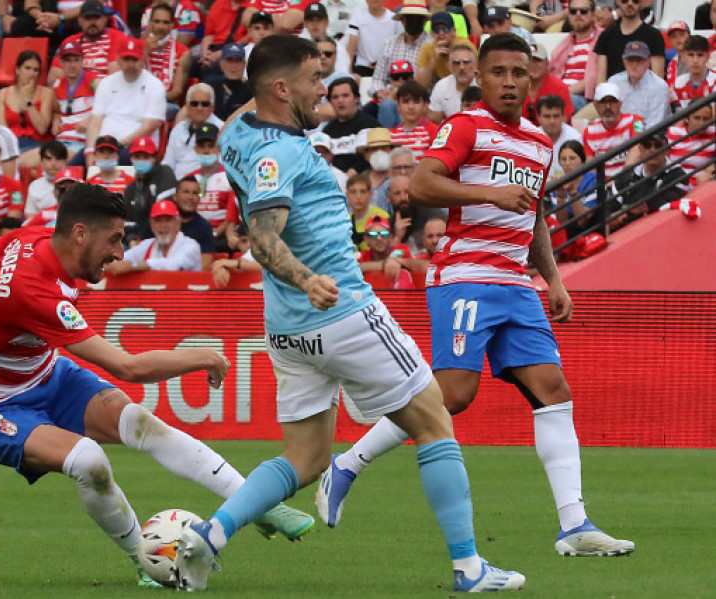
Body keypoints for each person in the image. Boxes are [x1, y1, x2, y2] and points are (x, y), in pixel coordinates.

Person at [175, 34, 526, 593]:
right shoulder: (280, 154)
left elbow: (251, 96)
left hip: (286, 327)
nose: (325, 88)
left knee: (306, 455)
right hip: (339, 309)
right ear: (282, 88)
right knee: (434, 417)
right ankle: (469, 568)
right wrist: (308, 277)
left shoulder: (237, 131)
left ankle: (210, 535)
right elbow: (263, 239)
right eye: (315, 79)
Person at [0, 183, 313, 589]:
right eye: (113, 240)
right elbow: (128, 367)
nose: (119, 252)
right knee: (90, 462)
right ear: (80, 233)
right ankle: (146, 559)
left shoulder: (30, 237)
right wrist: (205, 355)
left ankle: (258, 502)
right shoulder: (34, 291)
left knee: (143, 424)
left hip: (46, 374)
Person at [316, 34, 635, 561]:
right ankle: (348, 465)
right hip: (465, 276)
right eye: (498, 72)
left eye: (519, 73)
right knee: (455, 396)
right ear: (479, 79)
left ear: (531, 79)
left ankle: (575, 525)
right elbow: (421, 184)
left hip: (516, 284)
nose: (509, 81)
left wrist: (551, 279)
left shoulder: (538, 141)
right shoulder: (464, 126)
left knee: (553, 391)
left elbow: (530, 214)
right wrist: (489, 192)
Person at [85, 37, 166, 166]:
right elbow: (95, 122)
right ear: (118, 59)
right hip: (103, 146)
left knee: (116, 160)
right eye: (126, 59)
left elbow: (149, 127)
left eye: (134, 59)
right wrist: (90, 151)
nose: (130, 64)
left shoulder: (155, 86)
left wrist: (118, 145)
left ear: (142, 59)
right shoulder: (106, 83)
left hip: (136, 148)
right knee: (73, 166)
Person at [107, 198, 202, 273]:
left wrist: (133, 265)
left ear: (178, 224)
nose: (163, 225)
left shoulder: (191, 246)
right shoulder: (147, 245)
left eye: (168, 220)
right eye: (158, 221)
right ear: (152, 226)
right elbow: (121, 258)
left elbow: (174, 265)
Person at [140, 176, 217, 268]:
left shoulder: (204, 227)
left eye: (195, 193)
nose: (190, 197)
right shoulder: (156, 222)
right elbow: (139, 252)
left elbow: (204, 267)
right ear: (175, 196)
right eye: (186, 192)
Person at [47, 0, 127, 84]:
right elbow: (53, 80)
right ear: (79, 20)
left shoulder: (117, 37)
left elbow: (115, 80)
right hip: (75, 94)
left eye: (96, 17)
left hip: (105, 94)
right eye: (88, 18)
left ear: (105, 19)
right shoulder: (70, 41)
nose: (92, 22)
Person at [187, 123, 238, 250]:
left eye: (210, 146)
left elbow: (231, 216)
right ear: (195, 149)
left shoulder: (230, 177)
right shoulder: (189, 178)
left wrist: (213, 234)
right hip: (194, 234)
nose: (206, 150)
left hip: (220, 236)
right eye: (201, 146)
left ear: (218, 148)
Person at [0, 50, 56, 157]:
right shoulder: (2, 94)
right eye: (27, 68)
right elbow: (3, 132)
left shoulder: (46, 93)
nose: (31, 74)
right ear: (18, 70)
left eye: (35, 70)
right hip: (12, 146)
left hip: (38, 145)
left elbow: (42, 129)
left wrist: (29, 101)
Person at [50, 39, 100, 162]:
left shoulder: (93, 81)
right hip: (61, 141)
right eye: (67, 61)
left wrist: (90, 119)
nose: (72, 65)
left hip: (84, 142)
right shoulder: (56, 86)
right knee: (26, 162)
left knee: (55, 162)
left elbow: (110, 104)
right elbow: (55, 109)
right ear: (60, 62)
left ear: (82, 61)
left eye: (76, 60)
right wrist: (55, 118)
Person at [162, 83, 225, 179]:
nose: (199, 108)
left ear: (213, 107)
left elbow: (223, 166)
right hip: (177, 186)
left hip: (210, 183)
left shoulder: (222, 129)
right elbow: (168, 164)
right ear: (187, 106)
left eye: (205, 104)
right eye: (194, 104)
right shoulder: (178, 129)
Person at [582, 82, 645, 178]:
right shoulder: (589, 132)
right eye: (603, 102)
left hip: (630, 180)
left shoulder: (635, 121)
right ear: (595, 105)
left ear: (620, 104)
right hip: (603, 187)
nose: (607, 106)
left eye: (612, 101)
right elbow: (591, 167)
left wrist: (620, 181)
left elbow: (638, 149)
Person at [549, 0, 601, 112]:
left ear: (593, 15)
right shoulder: (563, 46)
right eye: (573, 11)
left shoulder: (603, 39)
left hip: (585, 99)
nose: (578, 14)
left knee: (564, 102)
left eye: (583, 11)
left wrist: (563, 92)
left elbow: (597, 79)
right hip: (559, 95)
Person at [123, 136, 177, 243]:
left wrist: (140, 238)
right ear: (131, 159)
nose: (141, 161)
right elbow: (128, 223)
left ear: (155, 157)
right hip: (138, 242)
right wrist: (131, 239)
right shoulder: (130, 189)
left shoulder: (166, 174)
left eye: (146, 157)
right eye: (137, 157)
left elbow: (163, 212)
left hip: (166, 235)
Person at [593, 0, 664, 82]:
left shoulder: (654, 35)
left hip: (644, 93)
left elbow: (658, 80)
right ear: (618, 2)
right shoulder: (606, 35)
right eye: (625, 0)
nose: (630, 3)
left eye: (635, 0)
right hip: (612, 92)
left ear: (641, 2)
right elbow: (601, 80)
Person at [369, 0, 429, 94]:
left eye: (418, 18)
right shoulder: (389, 43)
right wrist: (380, 93)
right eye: (411, 19)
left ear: (425, 20)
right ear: (403, 20)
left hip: (418, 98)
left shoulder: (430, 46)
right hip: (390, 97)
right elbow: (378, 79)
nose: (414, 22)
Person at [323, 76, 380, 174]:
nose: (340, 100)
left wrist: (354, 171)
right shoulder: (327, 132)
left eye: (345, 95)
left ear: (356, 98)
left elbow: (373, 157)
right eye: (335, 97)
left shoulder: (370, 125)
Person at [607, 41, 671, 128]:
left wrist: (629, 130)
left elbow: (654, 125)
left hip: (650, 136)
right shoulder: (613, 82)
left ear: (648, 62)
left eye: (639, 60)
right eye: (630, 60)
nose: (634, 65)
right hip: (619, 133)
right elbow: (609, 116)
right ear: (624, 61)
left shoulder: (659, 86)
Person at [144, 2, 191, 115]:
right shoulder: (137, 48)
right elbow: (131, 79)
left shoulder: (183, 53)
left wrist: (152, 99)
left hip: (167, 104)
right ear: (149, 24)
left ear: (172, 26)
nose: (160, 26)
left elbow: (176, 92)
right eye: (157, 21)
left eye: (165, 22)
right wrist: (145, 52)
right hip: (138, 102)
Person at [356, 213, 425, 288]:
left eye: (384, 234)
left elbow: (424, 266)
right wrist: (385, 264)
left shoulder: (401, 250)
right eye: (373, 235)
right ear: (366, 239)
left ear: (390, 237)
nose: (379, 238)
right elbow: (351, 269)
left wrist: (398, 261)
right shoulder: (362, 255)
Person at [415, 11, 475, 88]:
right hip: (444, 89)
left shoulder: (465, 46)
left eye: (445, 29)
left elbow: (469, 77)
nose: (441, 33)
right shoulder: (427, 48)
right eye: (436, 30)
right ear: (431, 33)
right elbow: (420, 85)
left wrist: (451, 54)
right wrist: (434, 60)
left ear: (454, 31)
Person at [524, 42, 573, 125]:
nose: (533, 65)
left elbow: (562, 121)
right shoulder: (516, 86)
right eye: (530, 61)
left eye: (538, 60)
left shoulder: (559, 87)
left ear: (547, 63)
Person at [389, 79, 439, 161]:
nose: (411, 107)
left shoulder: (435, 132)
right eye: (405, 102)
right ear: (398, 105)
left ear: (425, 105)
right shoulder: (391, 135)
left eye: (416, 102)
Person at [203, 42, 253, 122]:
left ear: (244, 64)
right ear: (221, 64)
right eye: (230, 60)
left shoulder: (251, 90)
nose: (234, 66)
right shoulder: (209, 86)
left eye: (238, 61)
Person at [427, 44, 477, 123]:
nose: (461, 67)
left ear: (475, 65)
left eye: (466, 62)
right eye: (456, 63)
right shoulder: (441, 86)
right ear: (450, 66)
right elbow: (434, 120)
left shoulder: (485, 84)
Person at [536, 95, 581, 178]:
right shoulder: (531, 138)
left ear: (563, 116)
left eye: (556, 116)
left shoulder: (575, 137)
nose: (552, 121)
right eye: (547, 116)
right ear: (538, 117)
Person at [25, 140, 68, 221]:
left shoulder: (76, 185)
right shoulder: (34, 186)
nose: (53, 163)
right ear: (41, 161)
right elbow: (30, 218)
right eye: (48, 159)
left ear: (65, 161)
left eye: (58, 159)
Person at [671, 35, 716, 110]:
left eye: (700, 55)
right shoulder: (678, 83)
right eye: (691, 55)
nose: (695, 60)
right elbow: (679, 118)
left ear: (708, 56)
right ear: (684, 56)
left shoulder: (714, 81)